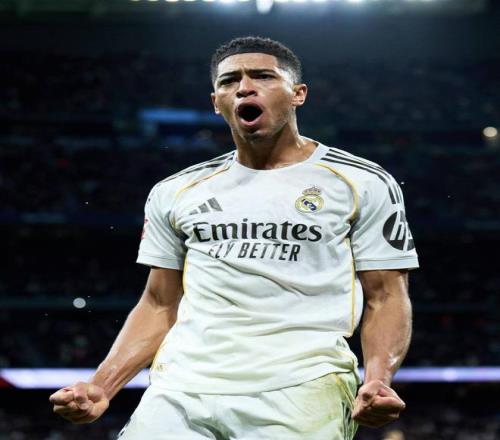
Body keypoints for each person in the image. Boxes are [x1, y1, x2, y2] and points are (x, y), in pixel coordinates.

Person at [50, 36, 418, 439]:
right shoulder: (176, 191)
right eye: (229, 81)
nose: (244, 87)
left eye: (263, 76)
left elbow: (386, 295)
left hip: (302, 386)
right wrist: (102, 386)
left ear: (298, 94)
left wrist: (377, 379)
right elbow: (158, 303)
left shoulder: (362, 182)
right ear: (216, 102)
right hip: (181, 389)